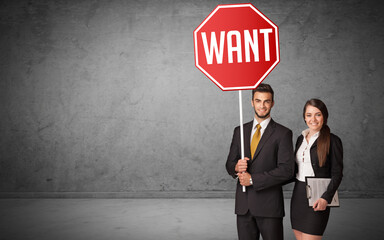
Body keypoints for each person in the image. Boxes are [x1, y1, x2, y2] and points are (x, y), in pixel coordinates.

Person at [226, 83, 295, 240]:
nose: (262, 106)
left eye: (266, 101)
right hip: (244, 208)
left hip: (269, 207)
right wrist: (236, 167)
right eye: (258, 101)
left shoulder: (283, 133)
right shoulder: (239, 131)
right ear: (252, 102)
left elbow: (287, 170)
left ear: (272, 103)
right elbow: (229, 164)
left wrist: (252, 179)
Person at [290, 99, 343, 240]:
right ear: (304, 117)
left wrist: (326, 198)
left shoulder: (333, 141)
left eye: (317, 114)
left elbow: (337, 174)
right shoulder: (300, 139)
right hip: (298, 194)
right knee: (299, 236)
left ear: (324, 116)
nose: (313, 119)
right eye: (308, 115)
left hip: (318, 196)